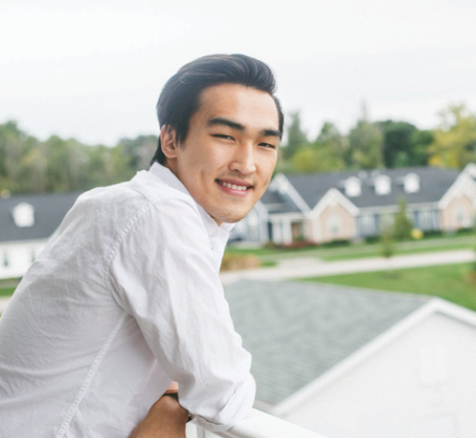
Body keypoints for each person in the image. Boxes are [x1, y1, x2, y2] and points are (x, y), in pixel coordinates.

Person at [0, 54, 283, 438]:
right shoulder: (159, 216)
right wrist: (174, 401)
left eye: (266, 143)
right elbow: (223, 397)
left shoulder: (122, 202)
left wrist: (170, 398)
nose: (247, 163)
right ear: (170, 139)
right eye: (226, 136)